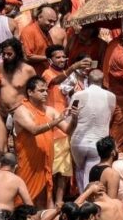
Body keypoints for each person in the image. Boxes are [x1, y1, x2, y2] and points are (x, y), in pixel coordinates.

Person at [14, 76, 77, 209]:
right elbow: (33, 130)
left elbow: (68, 130)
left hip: (45, 162)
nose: (45, 93)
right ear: (30, 92)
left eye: (46, 90)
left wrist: (74, 119)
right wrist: (57, 120)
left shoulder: (50, 111)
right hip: (29, 163)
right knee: (24, 200)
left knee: (45, 199)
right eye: (41, 90)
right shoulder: (21, 110)